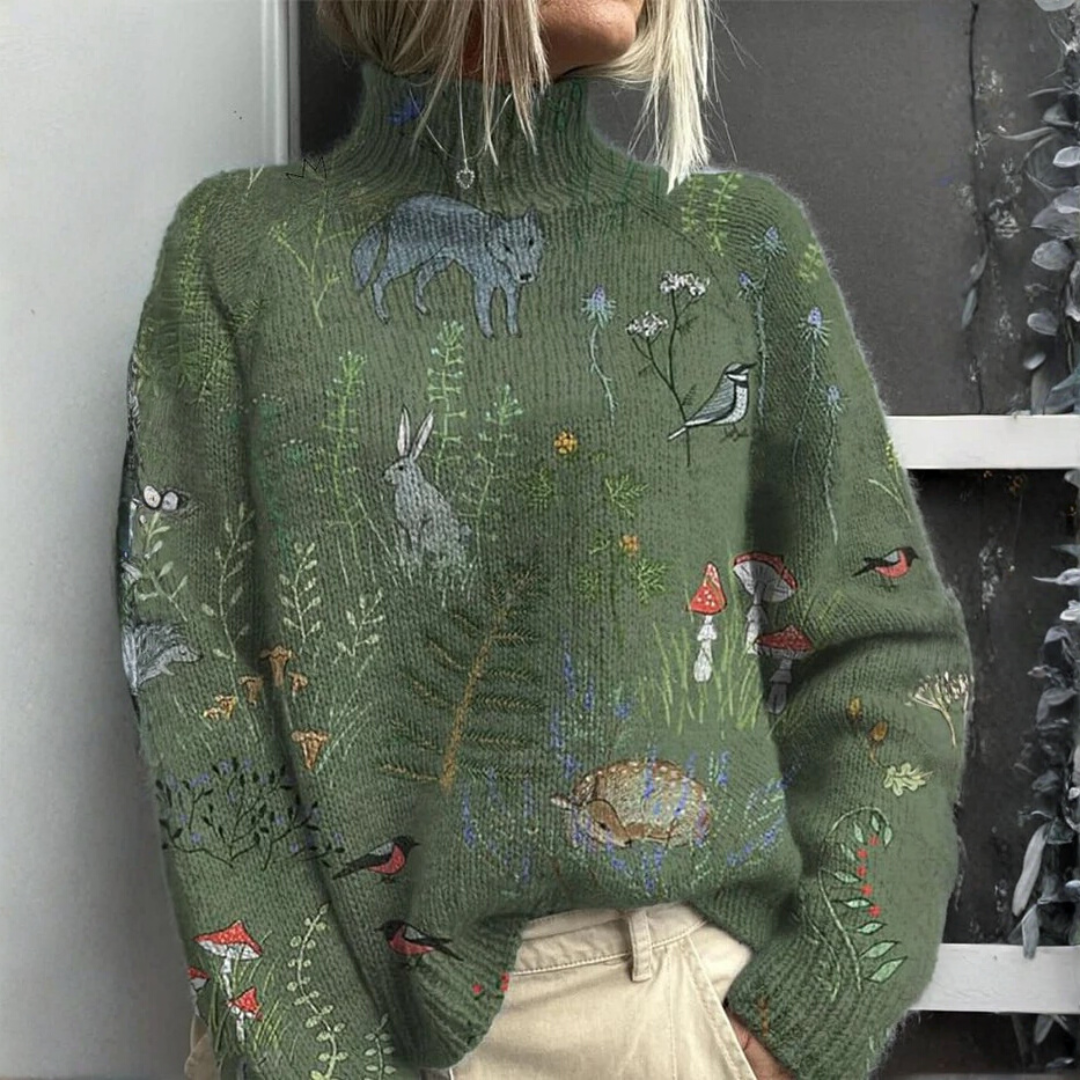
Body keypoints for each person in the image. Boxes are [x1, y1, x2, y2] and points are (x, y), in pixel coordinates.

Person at [114, 1, 974, 1078]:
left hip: (652, 1011)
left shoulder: (737, 247)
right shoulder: (243, 252)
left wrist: (798, 1023)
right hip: (315, 1020)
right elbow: (193, 678)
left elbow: (889, 644)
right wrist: (309, 1054)